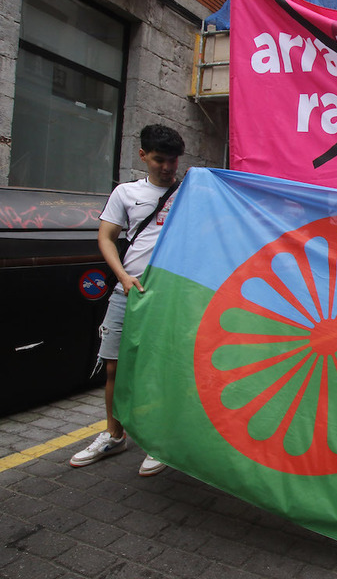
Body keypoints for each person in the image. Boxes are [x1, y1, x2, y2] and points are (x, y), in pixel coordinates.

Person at [69, 124, 185, 477]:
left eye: (173, 161)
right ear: (143, 156)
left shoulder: (189, 194)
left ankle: (158, 442)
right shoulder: (126, 193)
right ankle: (114, 434)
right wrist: (122, 276)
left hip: (169, 296)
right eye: (159, 159)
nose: (167, 167)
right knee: (114, 367)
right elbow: (106, 238)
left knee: (162, 369)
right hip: (127, 291)